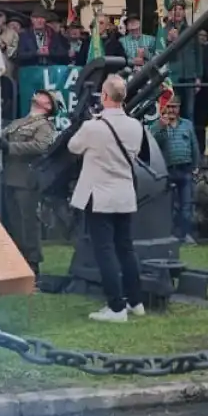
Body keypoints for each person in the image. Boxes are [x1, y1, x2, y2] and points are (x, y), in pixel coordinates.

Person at [67, 74, 147, 323]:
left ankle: (116, 307)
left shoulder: (94, 127)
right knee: (126, 248)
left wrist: (87, 122)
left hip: (99, 194)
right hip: (124, 194)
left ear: (104, 96)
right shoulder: (136, 125)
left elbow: (73, 146)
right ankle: (136, 301)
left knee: (105, 251)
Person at [2, 89, 60, 270]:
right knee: (14, 222)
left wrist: (10, 147)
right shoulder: (18, 122)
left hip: (27, 178)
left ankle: (33, 263)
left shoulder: (44, 126)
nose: (36, 97)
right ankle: (19, 261)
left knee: (28, 223)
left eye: (43, 97)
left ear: (48, 106)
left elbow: (41, 146)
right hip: (10, 176)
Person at [148, 90, 200, 244]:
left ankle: (185, 235)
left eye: (175, 107)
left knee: (186, 206)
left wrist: (196, 166)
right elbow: (153, 143)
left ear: (179, 108)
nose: (171, 110)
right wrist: (161, 127)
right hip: (167, 171)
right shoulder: (157, 125)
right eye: (169, 107)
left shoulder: (187, 125)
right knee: (168, 207)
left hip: (185, 170)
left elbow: (194, 147)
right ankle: (169, 235)